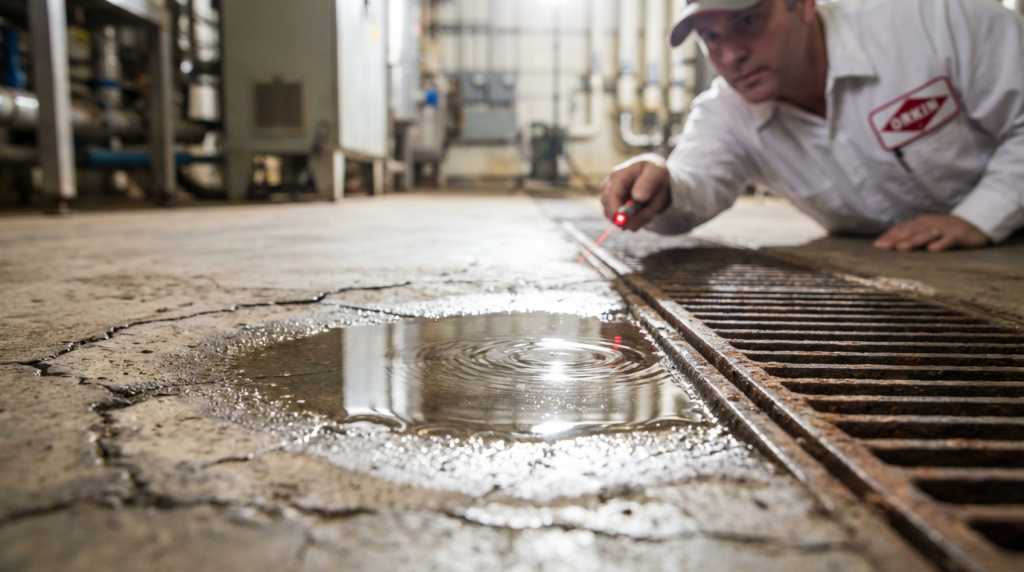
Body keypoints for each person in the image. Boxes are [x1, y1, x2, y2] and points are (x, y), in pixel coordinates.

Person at [600, 0, 1024, 251]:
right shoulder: (726, 113)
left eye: (747, 22)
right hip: (892, 261)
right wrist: (659, 184)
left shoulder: (933, 21)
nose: (730, 56)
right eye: (711, 37)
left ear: (803, 4)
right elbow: (693, 186)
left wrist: (979, 217)